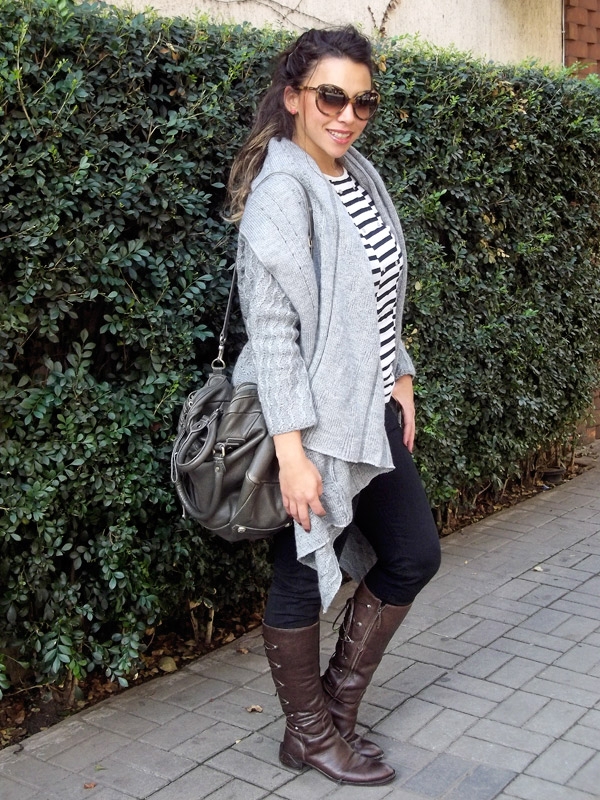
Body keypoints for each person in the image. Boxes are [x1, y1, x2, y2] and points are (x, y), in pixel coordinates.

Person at [226, 26, 441, 786]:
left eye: (362, 102)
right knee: (300, 573)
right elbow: (273, 334)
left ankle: (334, 716)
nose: (347, 116)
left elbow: (380, 296)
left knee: (413, 554)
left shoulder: (361, 176)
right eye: (330, 97)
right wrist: (291, 454)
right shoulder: (282, 193)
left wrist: (400, 375)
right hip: (311, 423)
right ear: (293, 98)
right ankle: (310, 734)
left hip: (367, 408)